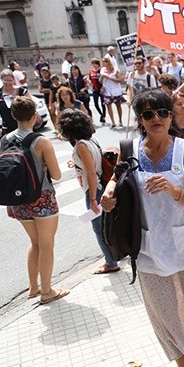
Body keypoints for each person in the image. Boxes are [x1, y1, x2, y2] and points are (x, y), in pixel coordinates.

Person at [99, 88, 184, 367]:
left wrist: (173, 189)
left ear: (171, 116)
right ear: (139, 119)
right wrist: (109, 194)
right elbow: (117, 179)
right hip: (149, 247)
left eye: (163, 112)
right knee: (163, 314)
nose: (157, 119)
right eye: (148, 114)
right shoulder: (131, 149)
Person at [0, 96, 67, 304]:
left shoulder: (5, 140)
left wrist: (10, 204)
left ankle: (34, 288)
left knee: (34, 242)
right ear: (34, 116)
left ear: (13, 116)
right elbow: (56, 175)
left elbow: (4, 175)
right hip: (42, 199)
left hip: (19, 201)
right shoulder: (41, 141)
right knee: (46, 244)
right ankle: (47, 291)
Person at [56, 108, 120, 274]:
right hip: (102, 186)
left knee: (99, 229)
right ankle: (117, 254)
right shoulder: (91, 140)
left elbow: (91, 172)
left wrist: (92, 199)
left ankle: (111, 262)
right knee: (110, 224)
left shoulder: (81, 146)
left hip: (95, 189)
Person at [0, 68, 35, 137]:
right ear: (1, 79)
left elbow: (32, 105)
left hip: (24, 127)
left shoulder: (22, 91)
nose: (8, 83)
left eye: (10, 80)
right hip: (7, 128)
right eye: (5, 80)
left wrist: (20, 99)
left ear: (14, 80)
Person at [100, 55, 126, 129]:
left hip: (115, 90)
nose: (103, 64)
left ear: (108, 62)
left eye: (104, 62)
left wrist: (109, 78)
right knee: (108, 106)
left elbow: (119, 80)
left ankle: (120, 120)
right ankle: (113, 122)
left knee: (118, 105)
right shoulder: (102, 70)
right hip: (107, 90)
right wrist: (101, 78)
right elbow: (100, 81)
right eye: (103, 62)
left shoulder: (115, 69)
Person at [88, 58, 107, 124]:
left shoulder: (101, 70)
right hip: (94, 89)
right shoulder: (91, 72)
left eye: (95, 63)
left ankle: (104, 116)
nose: (94, 65)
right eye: (93, 64)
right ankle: (101, 114)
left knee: (103, 103)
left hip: (101, 89)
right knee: (96, 104)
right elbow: (90, 79)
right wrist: (90, 83)